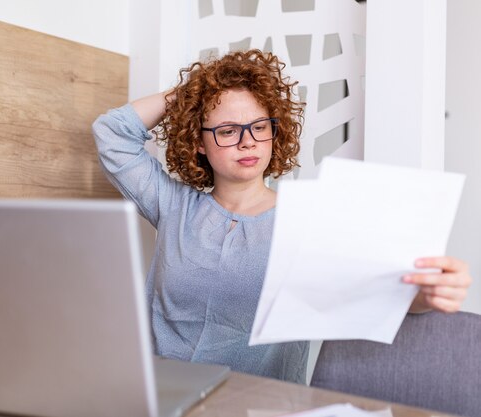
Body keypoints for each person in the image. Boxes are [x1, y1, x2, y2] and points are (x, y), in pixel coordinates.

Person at [92, 49, 472, 384]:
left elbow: (373, 296)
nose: (247, 141)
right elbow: (111, 133)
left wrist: (425, 294)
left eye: (259, 127)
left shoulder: (307, 222)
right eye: (227, 130)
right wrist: (195, 95)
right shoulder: (174, 206)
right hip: (162, 397)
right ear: (198, 142)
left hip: (262, 407)